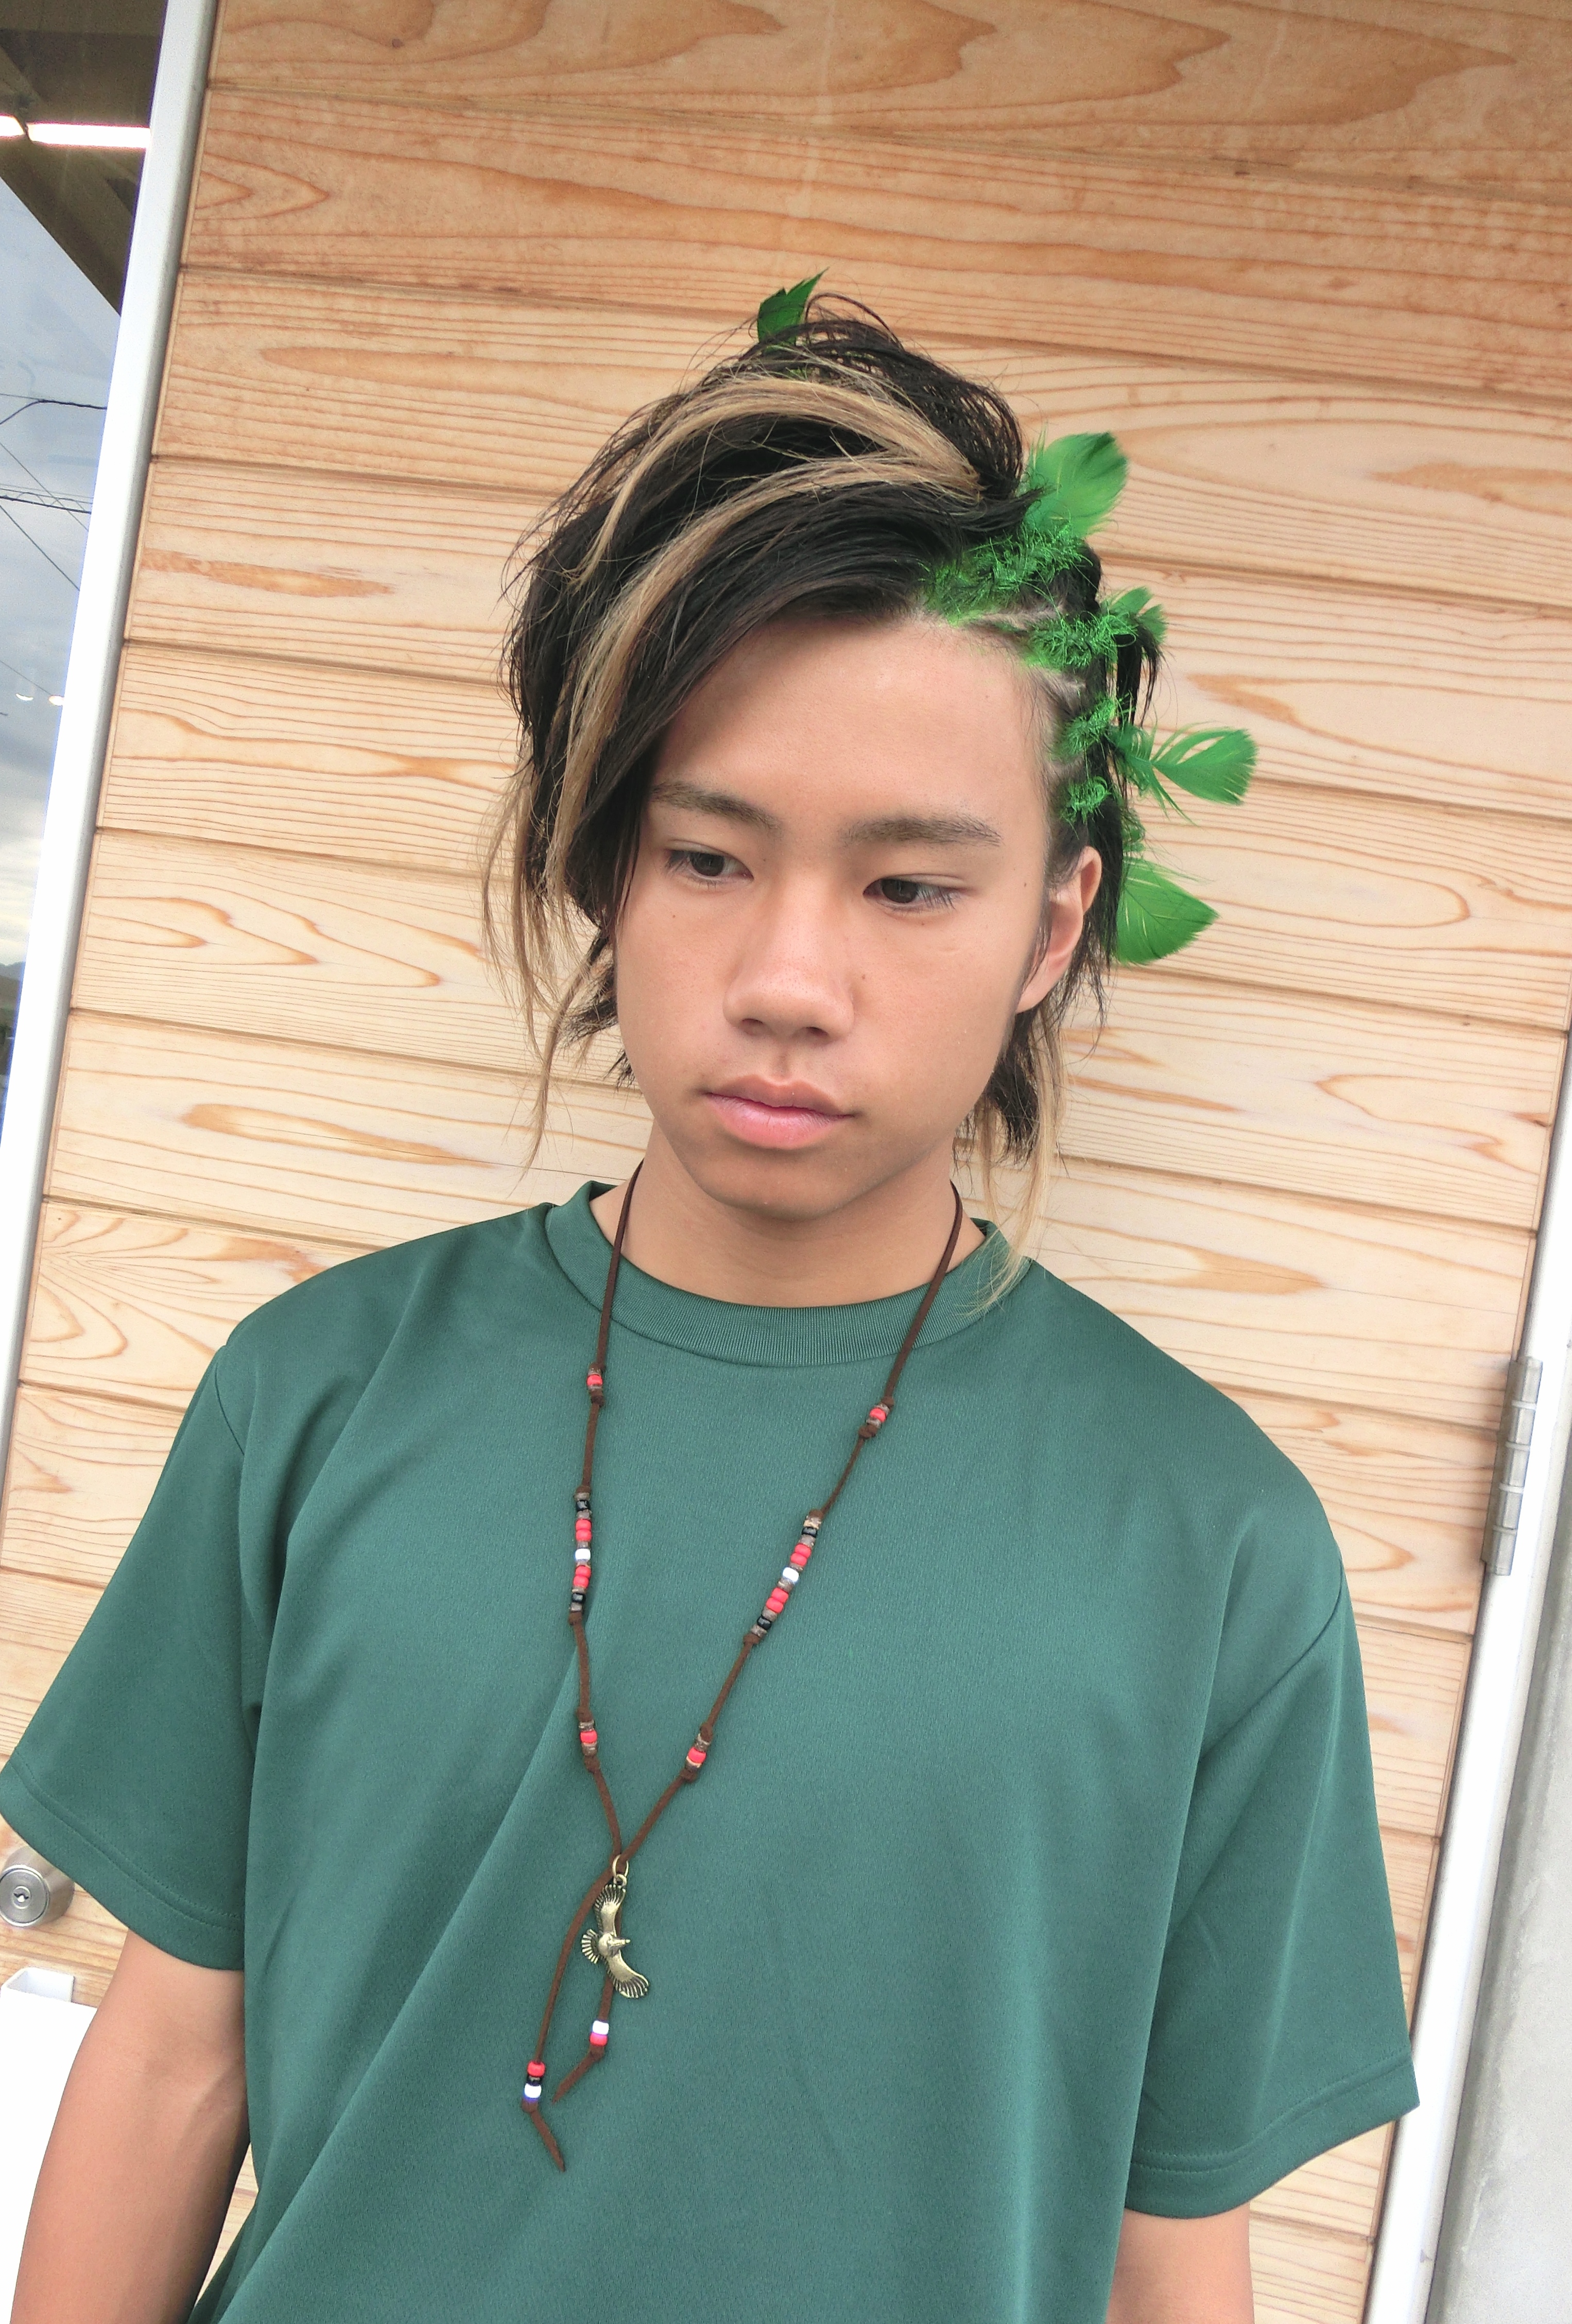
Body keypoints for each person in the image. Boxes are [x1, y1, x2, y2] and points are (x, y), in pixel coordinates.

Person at [1, 288, 1415, 2324]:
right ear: (606, 870)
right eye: (707, 856)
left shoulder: (1213, 1549)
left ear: (1052, 925)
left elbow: (1164, 2232)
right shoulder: (314, 1397)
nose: (788, 979)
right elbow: (170, 2057)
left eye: (908, 885)